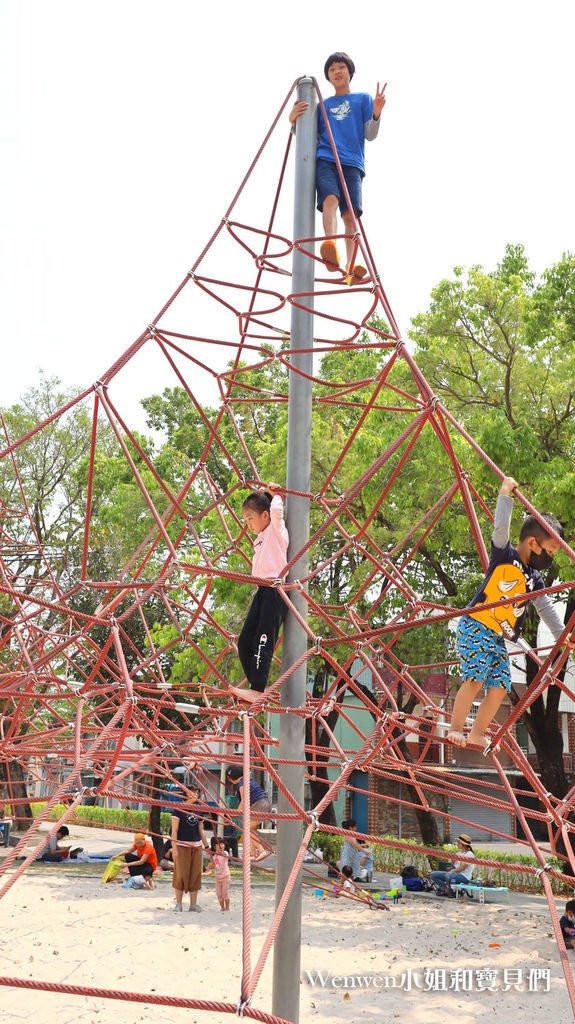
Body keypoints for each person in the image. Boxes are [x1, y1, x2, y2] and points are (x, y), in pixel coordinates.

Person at [448, 476, 566, 749]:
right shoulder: (504, 554)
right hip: (476, 624)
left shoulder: (535, 578)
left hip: (499, 634)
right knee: (475, 679)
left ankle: (477, 733)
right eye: (549, 550)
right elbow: (500, 527)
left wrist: (563, 636)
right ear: (533, 543)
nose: (550, 558)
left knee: (500, 686)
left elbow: (545, 607)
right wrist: (505, 494)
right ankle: (456, 728)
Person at [289, 52, 386, 284]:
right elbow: (307, 138)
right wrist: (293, 121)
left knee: (350, 216)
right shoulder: (322, 106)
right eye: (332, 70)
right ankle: (330, 245)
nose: (337, 72)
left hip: (352, 162)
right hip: (327, 158)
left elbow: (370, 134)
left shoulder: (362, 99)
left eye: (341, 67)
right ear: (328, 77)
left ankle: (351, 268)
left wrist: (377, 111)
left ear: (349, 72)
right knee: (329, 199)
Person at [229, 483, 289, 704]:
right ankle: (254, 689)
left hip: (275, 591)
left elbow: (277, 512)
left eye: (250, 518)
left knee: (264, 639)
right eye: (245, 520)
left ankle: (257, 689)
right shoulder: (261, 537)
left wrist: (275, 495)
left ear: (265, 515)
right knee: (245, 641)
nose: (248, 524)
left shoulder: (276, 530)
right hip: (262, 590)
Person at [170, 785, 210, 912]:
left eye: (197, 792)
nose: (196, 794)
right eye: (193, 792)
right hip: (182, 845)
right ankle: (179, 904)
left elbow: (201, 830)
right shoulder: (178, 809)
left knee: (195, 875)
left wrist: (207, 846)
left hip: (196, 846)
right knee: (180, 874)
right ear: (186, 794)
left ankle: (193, 904)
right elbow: (174, 831)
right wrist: (174, 848)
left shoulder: (198, 809)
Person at [225, 767, 271, 860]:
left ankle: (261, 850)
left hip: (260, 804)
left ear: (230, 777)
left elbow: (244, 800)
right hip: (263, 804)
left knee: (247, 829)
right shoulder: (246, 780)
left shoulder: (242, 783)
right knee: (247, 829)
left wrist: (237, 812)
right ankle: (252, 853)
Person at [204, 836, 231, 911]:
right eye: (219, 844)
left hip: (225, 877)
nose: (221, 846)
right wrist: (210, 854)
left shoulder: (225, 853)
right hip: (218, 878)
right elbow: (212, 865)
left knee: (225, 894)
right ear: (214, 846)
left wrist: (221, 852)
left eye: (222, 844)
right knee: (219, 894)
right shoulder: (214, 856)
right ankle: (222, 908)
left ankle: (227, 908)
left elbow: (225, 855)